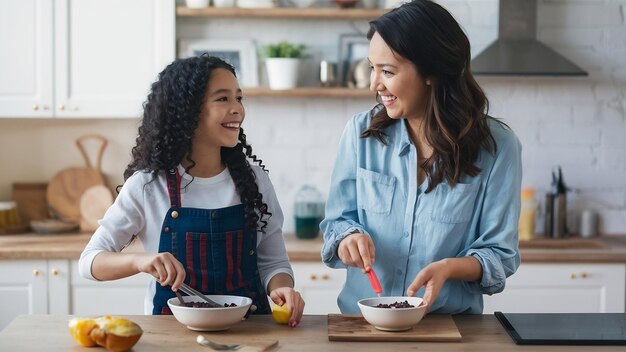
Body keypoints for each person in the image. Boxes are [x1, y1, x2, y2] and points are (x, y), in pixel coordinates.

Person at [320, 0, 522, 315]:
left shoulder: (497, 146)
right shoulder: (361, 133)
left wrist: (450, 268)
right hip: (363, 325)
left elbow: (500, 255)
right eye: (373, 69)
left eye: (387, 71)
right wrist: (348, 236)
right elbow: (336, 222)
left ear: (431, 71)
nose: (375, 84)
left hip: (448, 328)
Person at [79, 55, 304, 327]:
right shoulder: (148, 185)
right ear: (187, 110)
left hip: (251, 333)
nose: (237, 109)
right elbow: (89, 263)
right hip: (172, 335)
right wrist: (140, 261)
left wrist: (280, 288)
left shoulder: (253, 181)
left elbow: (274, 262)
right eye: (223, 99)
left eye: (239, 98)